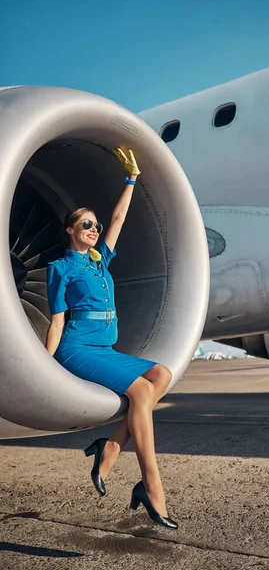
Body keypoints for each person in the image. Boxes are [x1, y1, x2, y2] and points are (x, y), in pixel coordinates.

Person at [45, 147, 177, 530]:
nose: (94, 229)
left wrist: (131, 180)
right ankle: (152, 487)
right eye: (86, 224)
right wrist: (47, 367)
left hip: (104, 348)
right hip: (76, 348)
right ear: (70, 230)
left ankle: (111, 446)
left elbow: (119, 217)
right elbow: (56, 322)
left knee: (161, 376)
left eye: (96, 226)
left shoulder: (100, 259)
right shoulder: (60, 268)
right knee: (139, 392)